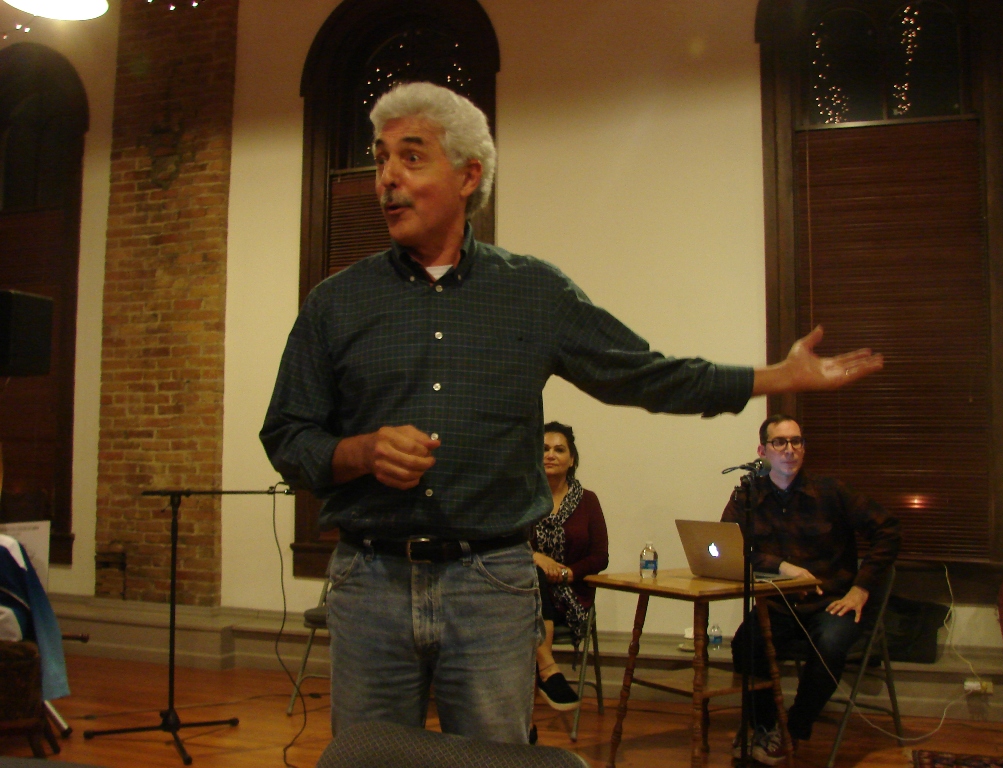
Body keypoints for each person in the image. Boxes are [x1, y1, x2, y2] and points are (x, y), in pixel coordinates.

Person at [260, 81, 884, 745]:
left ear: (469, 175)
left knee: (494, 762)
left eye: (410, 157)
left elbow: (644, 374)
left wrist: (774, 377)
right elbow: (287, 435)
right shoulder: (336, 303)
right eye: (380, 158)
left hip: (491, 584)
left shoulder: (533, 292)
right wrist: (355, 452)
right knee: (369, 760)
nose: (386, 176)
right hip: (369, 581)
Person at [721, 414, 901, 765]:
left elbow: (888, 531)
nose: (789, 450)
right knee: (746, 642)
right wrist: (781, 566)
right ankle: (764, 726)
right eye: (780, 442)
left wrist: (861, 588)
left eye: (796, 441)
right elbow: (730, 547)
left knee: (830, 645)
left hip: (832, 602)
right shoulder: (748, 495)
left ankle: (794, 729)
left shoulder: (831, 492)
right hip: (779, 603)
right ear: (762, 451)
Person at [532, 422, 608, 711]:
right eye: (544, 449)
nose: (550, 455)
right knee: (531, 575)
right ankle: (547, 669)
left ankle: (543, 673)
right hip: (525, 592)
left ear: (572, 459)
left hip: (572, 595)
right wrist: (535, 557)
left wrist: (566, 573)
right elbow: (506, 544)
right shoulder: (523, 500)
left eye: (559, 449)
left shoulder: (588, 501)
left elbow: (600, 557)